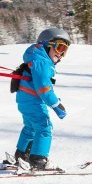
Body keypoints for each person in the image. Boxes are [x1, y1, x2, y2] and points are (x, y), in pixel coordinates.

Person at [12, 27, 71, 170]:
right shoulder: (42, 63)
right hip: (33, 101)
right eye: (59, 47)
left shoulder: (35, 60)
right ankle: (38, 160)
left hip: (25, 100)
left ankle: (21, 155)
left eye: (65, 50)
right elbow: (44, 88)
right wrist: (56, 104)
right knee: (44, 127)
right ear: (46, 45)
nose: (61, 54)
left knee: (30, 127)